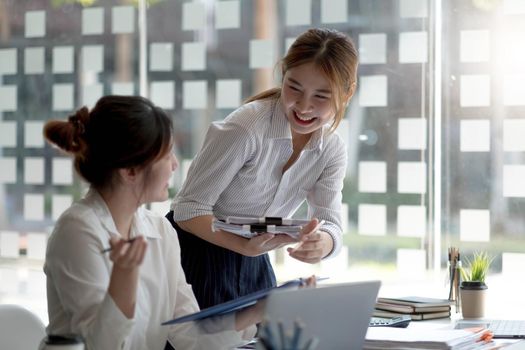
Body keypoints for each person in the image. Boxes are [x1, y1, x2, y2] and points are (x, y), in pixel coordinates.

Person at [43, 96, 259, 350]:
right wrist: (124, 277)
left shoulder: (160, 230)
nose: (175, 165)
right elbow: (100, 345)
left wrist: (260, 310)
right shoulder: (77, 231)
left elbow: (188, 329)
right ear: (131, 171)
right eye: (167, 156)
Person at [167, 28, 358, 309]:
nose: (304, 107)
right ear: (283, 75)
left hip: (255, 259)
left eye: (321, 96)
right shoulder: (246, 127)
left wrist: (324, 242)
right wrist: (243, 246)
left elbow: (330, 222)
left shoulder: (331, 148)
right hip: (196, 254)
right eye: (294, 88)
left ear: (348, 93)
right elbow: (187, 210)